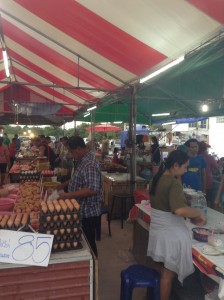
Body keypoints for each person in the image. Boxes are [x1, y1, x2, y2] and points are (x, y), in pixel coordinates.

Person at [147, 150, 206, 300]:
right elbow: (178, 210)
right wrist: (198, 213)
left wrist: (190, 215)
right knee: (168, 276)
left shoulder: (157, 178)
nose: (185, 171)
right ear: (175, 165)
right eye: (184, 167)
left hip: (158, 233)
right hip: (170, 237)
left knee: (162, 271)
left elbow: (169, 208)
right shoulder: (173, 183)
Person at [57, 136, 102, 257]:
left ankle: (94, 266)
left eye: (71, 151)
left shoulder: (89, 164)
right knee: (83, 241)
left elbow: (92, 189)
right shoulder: (82, 160)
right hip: (79, 209)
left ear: (78, 148)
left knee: (89, 244)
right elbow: (76, 178)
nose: (71, 154)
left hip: (88, 212)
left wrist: (67, 196)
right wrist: (61, 186)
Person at [198, 141, 220, 207]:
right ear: (205, 149)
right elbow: (217, 167)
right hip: (208, 182)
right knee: (207, 201)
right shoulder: (209, 157)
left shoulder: (196, 157)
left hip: (198, 182)